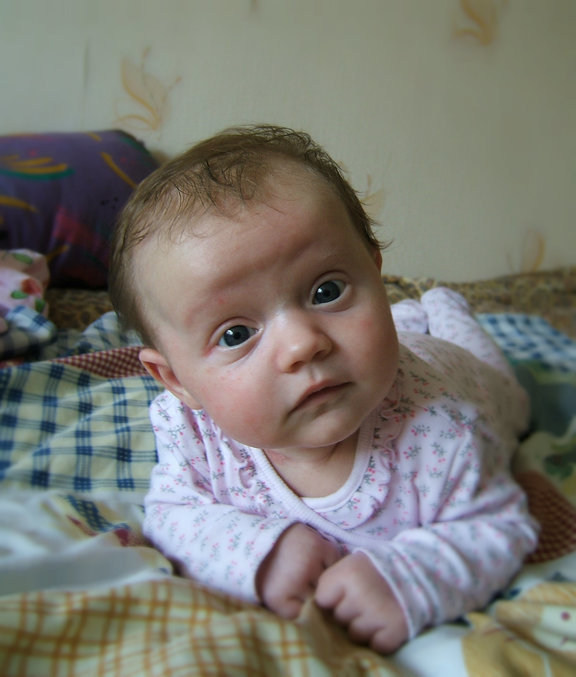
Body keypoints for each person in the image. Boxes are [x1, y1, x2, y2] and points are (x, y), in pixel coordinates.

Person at [109, 124, 538, 654]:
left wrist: (408, 578)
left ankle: (444, 306)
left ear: (375, 275)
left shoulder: (444, 428)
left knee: (507, 387)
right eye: (236, 334)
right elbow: (171, 513)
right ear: (177, 381)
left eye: (326, 290)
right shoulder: (193, 434)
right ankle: (408, 316)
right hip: (389, 353)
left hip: (465, 372)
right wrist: (261, 553)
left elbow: (498, 526)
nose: (302, 345)